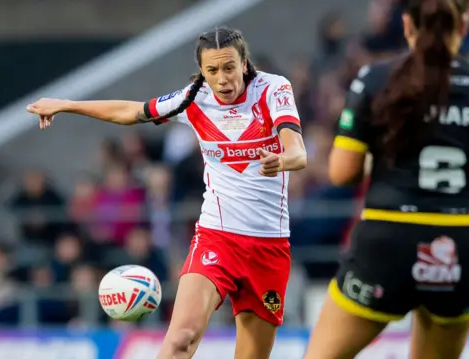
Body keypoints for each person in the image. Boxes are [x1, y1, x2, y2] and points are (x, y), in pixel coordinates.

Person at [26, 27, 307, 359]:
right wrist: (67, 104)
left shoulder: (273, 89)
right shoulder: (193, 98)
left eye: (229, 67)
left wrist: (282, 160)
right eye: (212, 70)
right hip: (217, 238)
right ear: (202, 72)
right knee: (181, 339)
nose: (222, 79)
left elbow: (299, 153)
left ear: (244, 63)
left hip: (268, 247)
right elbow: (131, 112)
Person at [303, 0, 469, 358]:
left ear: (407, 25)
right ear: (463, 26)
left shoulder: (374, 81)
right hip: (459, 244)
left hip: (388, 240)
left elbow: (342, 173)